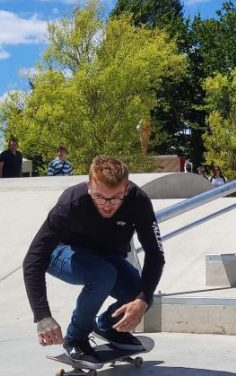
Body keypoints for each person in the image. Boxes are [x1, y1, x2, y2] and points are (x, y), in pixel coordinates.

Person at [22, 156, 165, 370]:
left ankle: (108, 326)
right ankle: (76, 338)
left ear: (126, 188)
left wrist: (143, 301)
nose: (107, 206)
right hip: (61, 252)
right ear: (89, 186)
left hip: (106, 256)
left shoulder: (138, 201)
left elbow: (155, 254)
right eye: (99, 197)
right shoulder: (72, 201)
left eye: (116, 198)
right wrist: (42, 316)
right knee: (102, 274)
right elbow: (34, 258)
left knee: (142, 292)